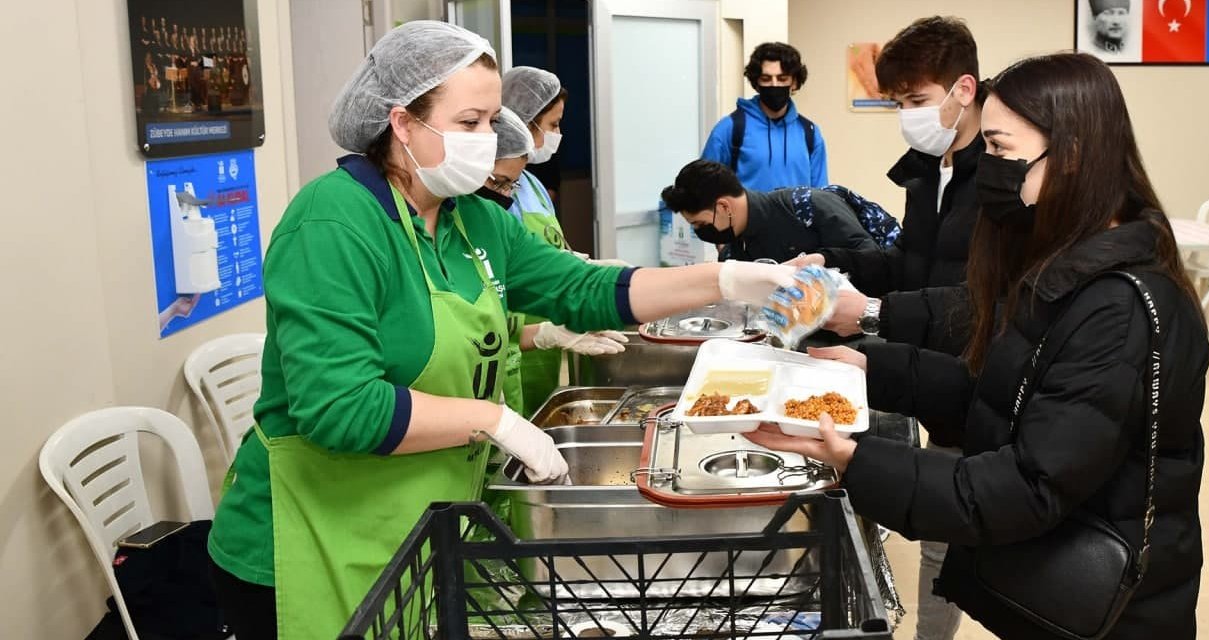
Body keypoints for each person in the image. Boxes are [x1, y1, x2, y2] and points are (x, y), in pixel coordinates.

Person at [205, 22, 798, 640]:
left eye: (492, 121)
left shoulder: (473, 220)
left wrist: (727, 280)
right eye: (469, 122)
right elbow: (339, 408)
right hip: (311, 539)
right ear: (402, 123)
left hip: (418, 523)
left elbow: (584, 289)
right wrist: (492, 420)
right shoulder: (333, 223)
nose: (487, 140)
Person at [748, 52, 1208, 640]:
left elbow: (1028, 486)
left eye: (997, 147)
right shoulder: (1063, 262)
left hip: (1110, 613)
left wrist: (856, 460)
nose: (986, 166)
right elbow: (1004, 393)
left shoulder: (1114, 307)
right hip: (1051, 593)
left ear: (1070, 154)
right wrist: (865, 370)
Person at [794, 16, 983, 358]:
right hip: (918, 359)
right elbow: (906, 261)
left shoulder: (997, 175)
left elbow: (985, 300)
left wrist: (876, 314)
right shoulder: (926, 169)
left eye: (917, 100)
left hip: (968, 363)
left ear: (964, 90)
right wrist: (829, 261)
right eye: (899, 103)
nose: (907, 115)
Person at [480, 106, 627, 418]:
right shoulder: (454, 228)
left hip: (513, 356)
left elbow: (543, 250)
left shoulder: (526, 189)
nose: (506, 195)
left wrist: (577, 265)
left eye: (510, 186)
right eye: (498, 183)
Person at [495, 66, 608, 416]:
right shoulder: (492, 191)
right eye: (553, 124)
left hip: (543, 342)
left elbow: (553, 249)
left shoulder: (531, 184)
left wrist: (583, 265)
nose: (558, 134)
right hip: (510, 338)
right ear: (524, 122)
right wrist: (541, 332)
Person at [661, 159, 878, 265]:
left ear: (724, 207)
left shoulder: (808, 206)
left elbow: (872, 259)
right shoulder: (732, 254)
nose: (701, 232)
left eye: (701, 224)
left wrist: (821, 262)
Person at [701, 42, 828, 191]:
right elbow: (705, 188)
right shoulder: (729, 128)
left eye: (782, 79)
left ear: (794, 82)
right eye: (766, 79)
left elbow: (821, 195)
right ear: (756, 83)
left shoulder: (810, 133)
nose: (774, 85)